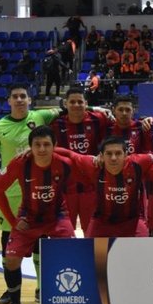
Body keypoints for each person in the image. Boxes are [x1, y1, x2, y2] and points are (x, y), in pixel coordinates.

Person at [0, 84, 64, 304]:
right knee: (7, 245)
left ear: (30, 100)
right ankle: (11, 291)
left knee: (40, 243)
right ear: (8, 101)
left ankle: (42, 287)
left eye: (23, 96)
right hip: (10, 195)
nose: (19, 100)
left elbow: (68, 109)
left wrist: (100, 108)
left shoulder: (41, 115)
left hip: (38, 192)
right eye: (15, 96)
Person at [0, 126, 76, 304]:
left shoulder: (64, 163)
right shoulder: (20, 163)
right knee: (11, 261)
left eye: (47, 144)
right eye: (37, 145)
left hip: (57, 216)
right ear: (29, 147)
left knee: (74, 253)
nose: (41, 149)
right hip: (28, 218)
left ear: (54, 146)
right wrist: (13, 222)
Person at [56, 136, 153, 237]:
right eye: (109, 154)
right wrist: (43, 151)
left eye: (118, 153)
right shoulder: (92, 164)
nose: (113, 158)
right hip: (101, 222)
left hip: (132, 221)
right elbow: (70, 154)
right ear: (101, 156)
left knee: (143, 248)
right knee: (92, 250)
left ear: (126, 155)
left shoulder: (138, 162)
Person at [49, 88, 111, 235]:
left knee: (92, 232)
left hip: (91, 186)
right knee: (62, 233)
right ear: (65, 104)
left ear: (86, 103)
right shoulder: (56, 123)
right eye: (72, 102)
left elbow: (112, 136)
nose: (76, 105)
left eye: (80, 101)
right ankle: (64, 258)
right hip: (65, 187)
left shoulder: (99, 119)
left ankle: (95, 259)